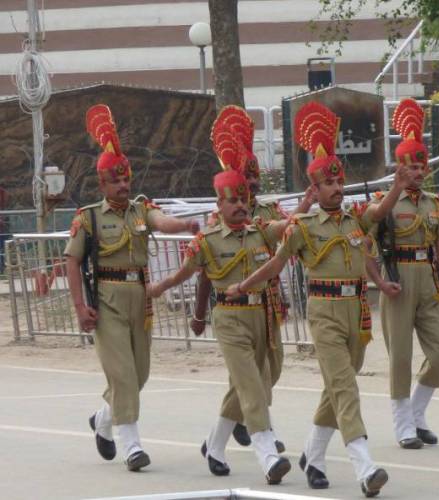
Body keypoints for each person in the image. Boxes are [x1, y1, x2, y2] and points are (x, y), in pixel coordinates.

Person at [225, 102, 411, 497]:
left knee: (338, 386)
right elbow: (276, 265)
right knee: (345, 388)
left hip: (357, 311)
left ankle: (312, 455)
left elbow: (379, 211)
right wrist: (244, 286)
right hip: (324, 312)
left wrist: (397, 185)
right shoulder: (303, 227)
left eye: (339, 181)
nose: (337, 188)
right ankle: (365, 466)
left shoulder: (355, 218)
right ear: (316, 186)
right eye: (329, 183)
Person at [64, 104, 200, 471]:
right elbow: (72, 261)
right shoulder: (89, 218)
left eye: (126, 179)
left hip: (140, 299)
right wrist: (79, 307)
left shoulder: (141, 210)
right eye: (116, 181)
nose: (124, 185)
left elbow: (162, 221)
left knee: (139, 375)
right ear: (102, 184)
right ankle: (132, 447)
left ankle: (102, 419)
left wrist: (185, 225)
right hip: (106, 300)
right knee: (123, 375)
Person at [148, 155, 293, 483]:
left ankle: (214, 447)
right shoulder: (208, 240)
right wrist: (161, 289)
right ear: (219, 205)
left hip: (262, 314)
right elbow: (186, 274)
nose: (241, 205)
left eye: (244, 199)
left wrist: (308, 204)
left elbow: (287, 227)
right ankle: (268, 455)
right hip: (229, 318)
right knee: (251, 386)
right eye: (233, 200)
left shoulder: (260, 231)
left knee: (253, 382)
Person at [190, 106, 314, 461]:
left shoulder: (269, 214)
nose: (252, 190)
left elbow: (289, 232)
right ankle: (265, 439)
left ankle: (217, 441)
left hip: (268, 306)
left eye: (255, 185)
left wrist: (308, 202)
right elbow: (206, 271)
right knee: (249, 379)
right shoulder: (219, 220)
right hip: (233, 308)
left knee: (269, 372)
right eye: (247, 184)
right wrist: (199, 313)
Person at [364, 99, 439, 450]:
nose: (417, 172)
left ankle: (416, 412)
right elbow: (365, 243)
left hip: (428, 279)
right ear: (398, 168)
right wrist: (378, 282)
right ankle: (404, 425)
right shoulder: (385, 201)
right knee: (400, 356)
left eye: (421, 166)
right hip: (397, 279)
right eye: (410, 166)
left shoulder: (434, 203)